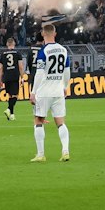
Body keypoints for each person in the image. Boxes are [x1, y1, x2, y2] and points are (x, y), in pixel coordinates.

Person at [29, 23, 71, 162]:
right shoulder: (63, 50)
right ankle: (65, 151)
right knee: (60, 122)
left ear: (43, 34)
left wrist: (33, 92)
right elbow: (67, 72)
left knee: (38, 121)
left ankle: (41, 154)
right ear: (55, 33)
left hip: (44, 92)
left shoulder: (43, 51)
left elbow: (39, 73)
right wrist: (65, 86)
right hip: (58, 91)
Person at [0, 39, 23, 120]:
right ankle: (8, 109)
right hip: (14, 75)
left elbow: (0, 68)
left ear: (7, 44)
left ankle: (11, 115)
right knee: (15, 95)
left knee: (10, 95)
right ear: (14, 43)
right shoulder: (17, 53)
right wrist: (22, 77)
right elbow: (20, 66)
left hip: (6, 76)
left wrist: (0, 81)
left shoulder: (2, 54)